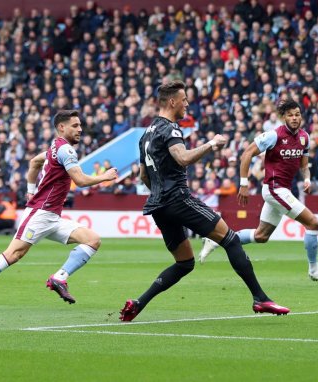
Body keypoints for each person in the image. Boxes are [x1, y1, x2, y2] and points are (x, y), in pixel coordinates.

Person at [119, 81, 289, 322]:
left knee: (185, 263)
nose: (187, 104)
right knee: (230, 240)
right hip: (177, 198)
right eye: (185, 99)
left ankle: (138, 303)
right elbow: (183, 157)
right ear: (172, 102)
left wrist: (160, 194)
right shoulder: (171, 129)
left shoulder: (146, 134)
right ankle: (260, 298)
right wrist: (212, 144)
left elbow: (144, 175)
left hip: (158, 205)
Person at [0, 110, 118, 311]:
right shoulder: (65, 150)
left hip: (52, 216)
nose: (80, 129)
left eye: (80, 125)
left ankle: (59, 278)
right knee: (13, 254)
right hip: (40, 214)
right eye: (75, 125)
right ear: (62, 127)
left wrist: (30, 191)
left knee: (92, 240)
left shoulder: (54, 147)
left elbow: (34, 162)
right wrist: (105, 176)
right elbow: (81, 180)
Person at [198, 98, 318, 282]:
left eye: (297, 115)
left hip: (284, 190)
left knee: (261, 236)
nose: (295, 118)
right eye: (290, 115)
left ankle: (217, 240)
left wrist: (307, 179)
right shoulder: (273, 135)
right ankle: (314, 269)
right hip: (274, 189)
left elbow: (304, 163)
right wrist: (244, 183)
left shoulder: (304, 136)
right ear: (283, 118)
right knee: (313, 223)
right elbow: (247, 153)